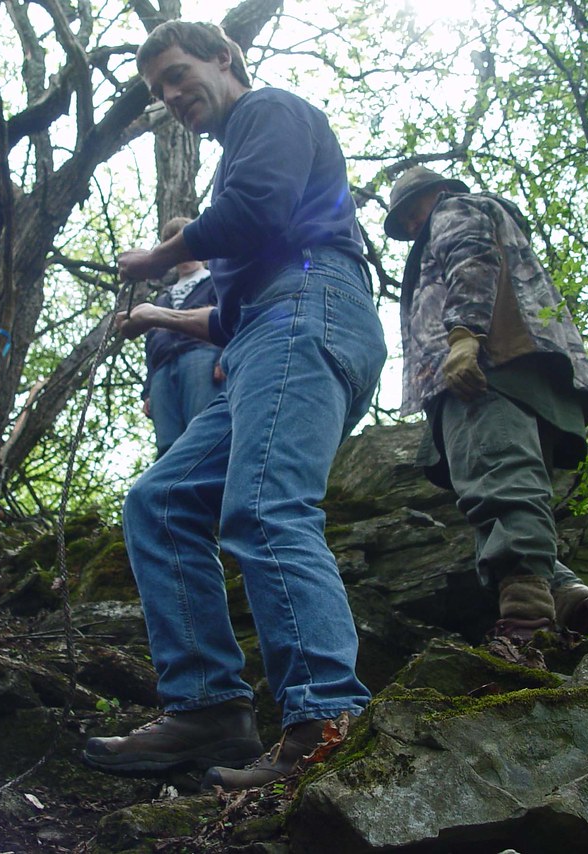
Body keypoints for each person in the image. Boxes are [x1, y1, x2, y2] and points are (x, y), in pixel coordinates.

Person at [81, 21, 387, 790]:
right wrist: (159, 315)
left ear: (226, 58)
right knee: (161, 501)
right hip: (262, 331)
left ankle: (326, 720)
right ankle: (209, 708)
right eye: (158, 90)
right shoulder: (238, 156)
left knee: (265, 506)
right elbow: (228, 313)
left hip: (309, 307)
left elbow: (257, 209)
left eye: (180, 75)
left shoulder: (270, 111)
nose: (173, 96)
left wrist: (159, 256)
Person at [384, 165, 588, 658]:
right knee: (494, 492)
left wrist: (462, 338)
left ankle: (525, 625)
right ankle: (580, 606)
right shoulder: (479, 215)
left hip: (487, 368)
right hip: (509, 370)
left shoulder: (456, 210)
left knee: (500, 480)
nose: (413, 228)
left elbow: (470, 258)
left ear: (438, 194)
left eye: (412, 213)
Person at [141, 216, 224, 457]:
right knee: (167, 446)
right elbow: (151, 346)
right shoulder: (163, 299)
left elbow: (230, 320)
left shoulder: (216, 282)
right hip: (162, 372)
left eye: (188, 245)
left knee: (203, 433)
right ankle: (170, 494)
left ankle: (207, 492)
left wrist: (226, 358)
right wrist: (147, 391)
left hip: (203, 358)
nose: (185, 255)